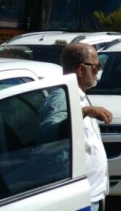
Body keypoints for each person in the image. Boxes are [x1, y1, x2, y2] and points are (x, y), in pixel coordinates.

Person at [40, 42, 113, 210]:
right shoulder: (61, 98)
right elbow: (49, 134)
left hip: (93, 194)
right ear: (81, 69)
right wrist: (85, 112)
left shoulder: (78, 95)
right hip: (80, 200)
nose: (98, 72)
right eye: (96, 67)